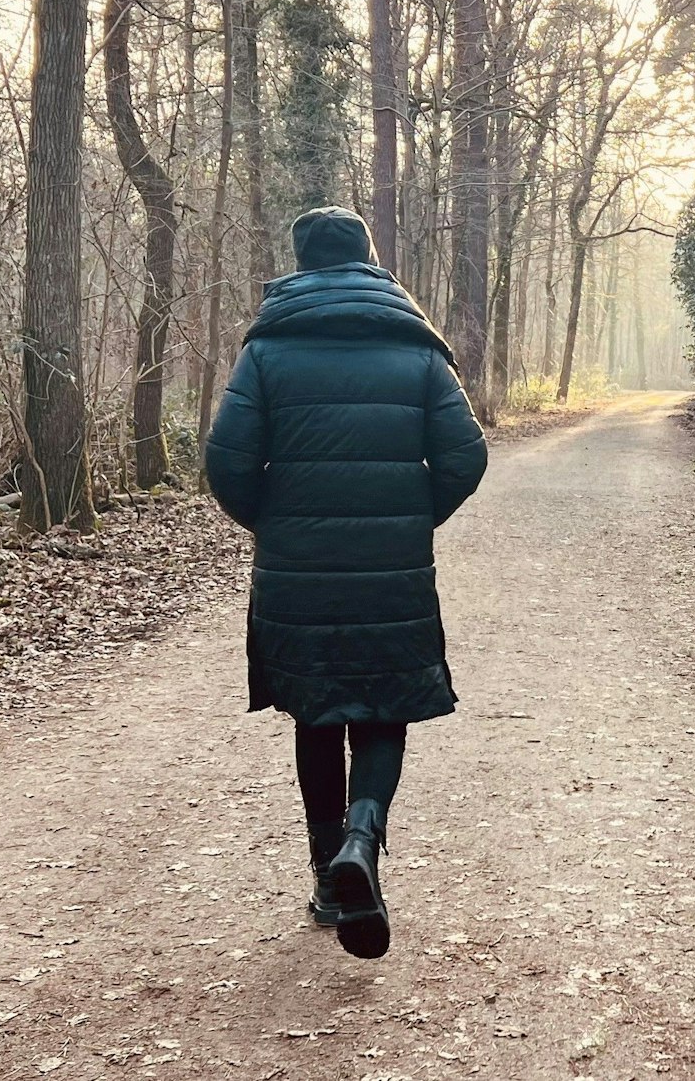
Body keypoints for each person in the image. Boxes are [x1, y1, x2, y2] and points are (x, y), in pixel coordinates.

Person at [205, 206, 487, 960]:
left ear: (300, 264)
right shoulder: (418, 351)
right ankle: (362, 841)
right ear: (366, 258)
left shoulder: (265, 353)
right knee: (383, 708)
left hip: (296, 570)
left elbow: (226, 464)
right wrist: (407, 517)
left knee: (316, 714)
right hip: (391, 570)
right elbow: (464, 459)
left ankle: (330, 881)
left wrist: (275, 522)